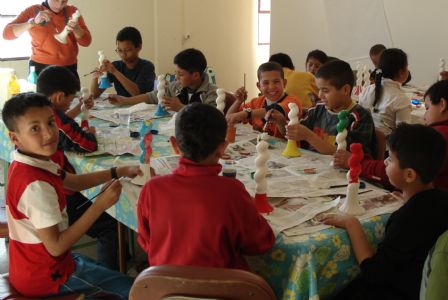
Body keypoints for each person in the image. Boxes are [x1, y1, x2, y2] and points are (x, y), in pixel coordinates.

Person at [2, 92, 140, 298]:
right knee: (137, 291)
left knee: (110, 275)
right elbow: (56, 247)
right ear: (15, 138)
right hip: (47, 277)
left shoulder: (27, 160)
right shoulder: (36, 185)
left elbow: (73, 183)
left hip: (37, 265)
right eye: (35, 129)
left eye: (50, 123)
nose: (48, 134)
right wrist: (100, 205)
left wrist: (117, 171)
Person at [321, 123, 448, 300]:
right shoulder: (445, 201)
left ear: (409, 175)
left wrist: (351, 223)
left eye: (391, 159)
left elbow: (373, 272)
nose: (385, 161)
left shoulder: (408, 219)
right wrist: (406, 199)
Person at [137, 103, 275, 269]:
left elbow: (146, 242)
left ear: (174, 145)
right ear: (222, 148)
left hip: (166, 290)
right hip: (222, 290)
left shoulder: (152, 189)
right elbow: (261, 244)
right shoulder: (231, 192)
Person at [37, 66, 120, 270]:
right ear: (57, 96)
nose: (70, 104)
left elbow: (63, 122)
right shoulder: (54, 121)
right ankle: (107, 277)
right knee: (109, 226)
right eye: (70, 99)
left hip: (57, 186)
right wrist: (88, 132)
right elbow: (87, 144)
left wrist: (78, 108)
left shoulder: (37, 111)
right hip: (63, 199)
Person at [358, 79, 448, 211]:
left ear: (442, 105)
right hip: (445, 208)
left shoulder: (439, 137)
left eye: (427, 108)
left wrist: (359, 163)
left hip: (435, 215)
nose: (424, 116)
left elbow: (397, 173)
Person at [2, 0, 91, 79]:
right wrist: (33, 22)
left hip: (69, 68)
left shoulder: (72, 12)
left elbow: (87, 42)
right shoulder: (33, 10)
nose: (59, 5)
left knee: (74, 96)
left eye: (64, 1)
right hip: (40, 68)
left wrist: (77, 29)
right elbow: (6, 35)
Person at [286, 60, 375, 158]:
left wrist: (309, 136)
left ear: (345, 90)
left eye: (325, 90)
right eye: (319, 89)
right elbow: (297, 135)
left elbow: (348, 157)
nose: (320, 95)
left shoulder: (359, 117)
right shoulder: (318, 109)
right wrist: (283, 124)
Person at [108, 48, 217, 111]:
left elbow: (209, 118)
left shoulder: (211, 93)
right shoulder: (176, 87)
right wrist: (125, 100)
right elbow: (152, 96)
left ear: (196, 76)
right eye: (176, 73)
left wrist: (182, 108)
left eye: (180, 74)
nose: (177, 77)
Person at [226, 61, 302, 138]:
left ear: (284, 83)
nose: (271, 87)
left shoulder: (292, 102)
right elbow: (230, 118)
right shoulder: (256, 102)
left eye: (276, 82)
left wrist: (246, 113)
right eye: (266, 83)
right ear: (259, 86)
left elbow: (275, 109)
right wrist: (238, 101)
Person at [359, 48, 411, 137]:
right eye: (407, 66)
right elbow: (403, 136)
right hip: (387, 148)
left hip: (364, 143)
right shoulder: (400, 99)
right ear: (401, 72)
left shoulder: (367, 90)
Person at [91, 26, 155, 97]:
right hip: (122, 107)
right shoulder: (116, 66)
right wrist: (95, 77)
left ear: (139, 47)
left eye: (127, 50)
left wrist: (115, 72)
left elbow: (137, 94)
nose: (122, 55)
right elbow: (95, 94)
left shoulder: (147, 67)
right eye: (119, 50)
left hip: (144, 107)